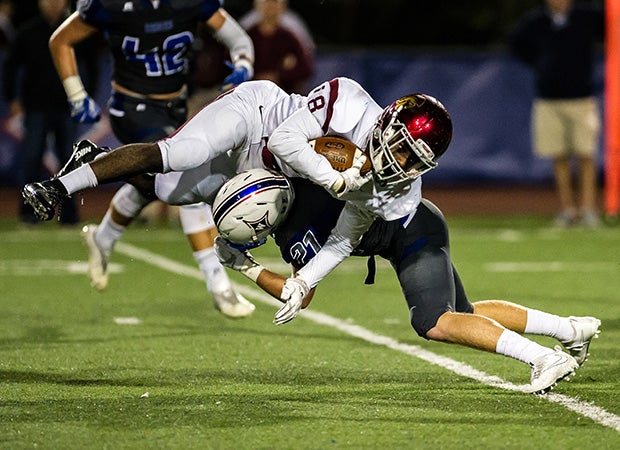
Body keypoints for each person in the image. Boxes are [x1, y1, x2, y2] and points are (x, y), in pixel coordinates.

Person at [21, 76, 596, 393]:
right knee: (178, 164)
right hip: (260, 121)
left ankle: (552, 348)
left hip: (374, 220)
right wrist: (339, 182)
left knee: (440, 318)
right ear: (388, 119)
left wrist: (291, 274)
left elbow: (346, 235)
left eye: (408, 157)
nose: (395, 159)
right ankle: (75, 175)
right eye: (396, 143)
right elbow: (290, 143)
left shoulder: (396, 191)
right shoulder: (345, 103)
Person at [213, 171, 602, 394]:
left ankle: (542, 358)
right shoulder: (304, 179)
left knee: (435, 322)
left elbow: (299, 295)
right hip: (413, 224)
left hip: (410, 230)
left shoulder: (293, 230)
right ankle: (569, 330)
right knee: (463, 315)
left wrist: (245, 267)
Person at [48, 0, 256, 317]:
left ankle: (103, 239)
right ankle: (218, 285)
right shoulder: (114, 5)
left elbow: (239, 39)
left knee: (150, 187)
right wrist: (76, 94)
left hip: (175, 107)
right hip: (132, 108)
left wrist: (243, 63)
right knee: (188, 181)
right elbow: (61, 40)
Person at [509, 0, 604, 228]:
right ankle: (568, 210)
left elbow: (612, 29)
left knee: (586, 154)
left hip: (582, 97)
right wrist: (541, 63)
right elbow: (515, 43)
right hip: (549, 99)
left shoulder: (587, 15)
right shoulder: (536, 21)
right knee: (558, 155)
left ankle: (589, 210)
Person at [2, 0, 97, 225]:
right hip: (36, 107)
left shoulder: (75, 28)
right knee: (32, 158)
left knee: (70, 160)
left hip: (66, 107)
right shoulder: (28, 31)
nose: (53, 4)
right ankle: (29, 214)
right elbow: (11, 67)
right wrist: (11, 98)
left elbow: (91, 65)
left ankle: (69, 215)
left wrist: (86, 95)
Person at [242, 0, 314, 94]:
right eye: (267, 3)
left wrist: (278, 76)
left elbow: (306, 68)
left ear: (282, 6)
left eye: (275, 3)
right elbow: (231, 65)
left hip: (283, 94)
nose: (270, 7)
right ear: (257, 5)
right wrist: (258, 78)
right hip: (250, 93)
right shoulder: (247, 32)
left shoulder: (291, 34)